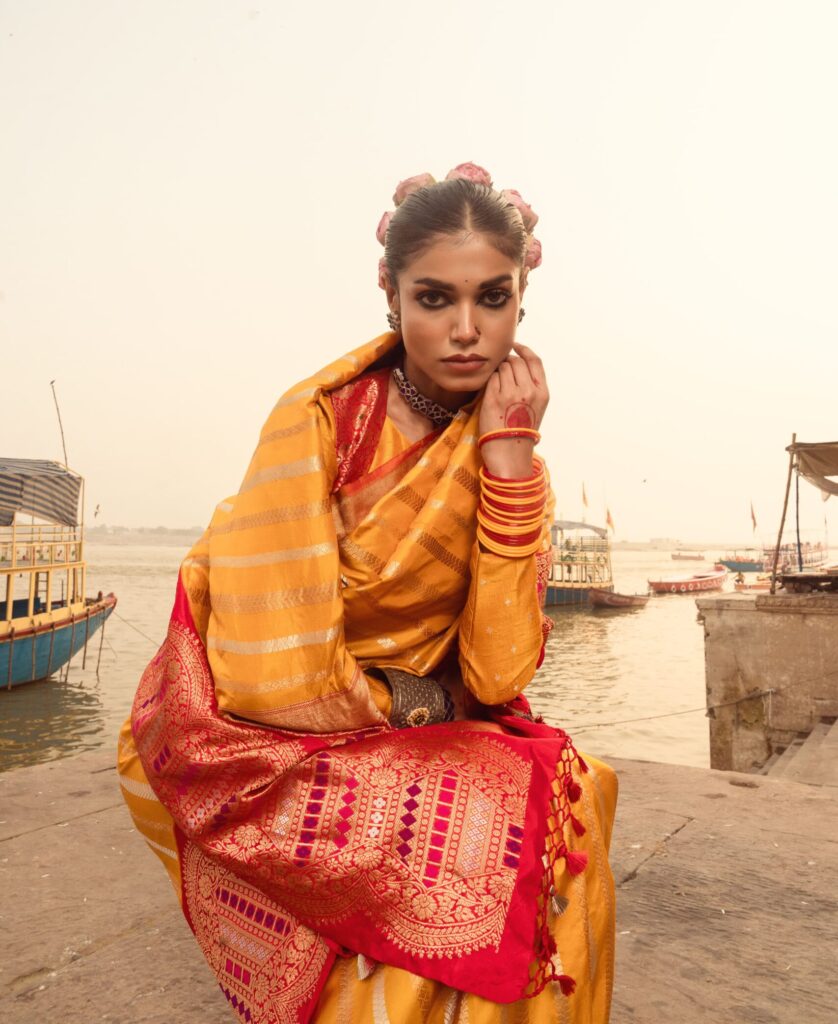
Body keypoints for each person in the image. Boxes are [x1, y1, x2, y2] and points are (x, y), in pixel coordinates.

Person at [118, 162, 617, 1024]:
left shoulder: (510, 455)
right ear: (390, 295)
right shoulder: (318, 421)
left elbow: (497, 676)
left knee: (571, 797)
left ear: (522, 304)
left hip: (398, 717)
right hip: (247, 727)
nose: (466, 330)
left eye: (492, 299)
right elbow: (272, 680)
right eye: (435, 299)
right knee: (461, 839)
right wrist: (427, 701)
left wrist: (508, 463)